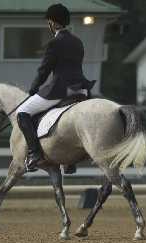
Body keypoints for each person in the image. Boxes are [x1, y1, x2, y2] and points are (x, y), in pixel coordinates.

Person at [16, 3, 93, 172]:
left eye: (48, 21)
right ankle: (69, 160)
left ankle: (35, 154)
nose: (48, 25)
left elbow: (44, 70)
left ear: (52, 22)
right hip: (80, 89)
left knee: (22, 113)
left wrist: (33, 88)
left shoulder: (54, 43)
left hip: (59, 89)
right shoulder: (78, 42)